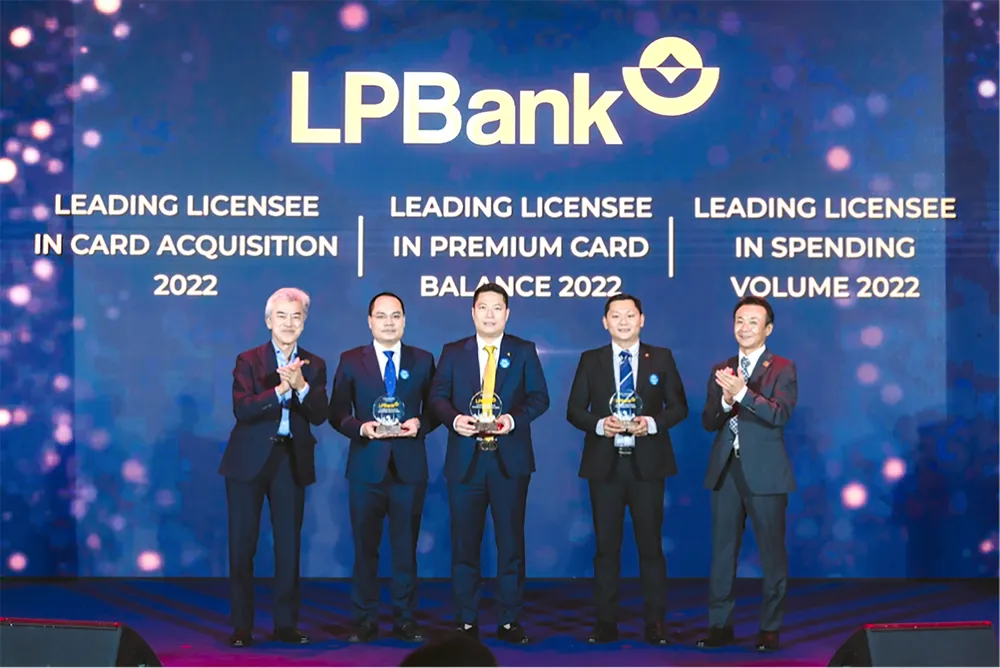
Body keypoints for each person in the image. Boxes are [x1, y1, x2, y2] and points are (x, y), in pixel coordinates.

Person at [429, 282, 550, 644]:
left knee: (510, 544)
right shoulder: (454, 352)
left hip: (509, 461)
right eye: (483, 307)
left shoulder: (523, 350)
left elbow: (539, 397)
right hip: (465, 462)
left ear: (507, 313)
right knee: (464, 545)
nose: (490, 314)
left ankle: (509, 620)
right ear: (473, 312)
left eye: (497, 308)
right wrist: (455, 420)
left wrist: (512, 419)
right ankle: (466, 621)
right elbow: (436, 397)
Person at [566, 293, 688, 645]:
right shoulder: (591, 359)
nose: (623, 322)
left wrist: (650, 423)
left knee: (651, 547)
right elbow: (574, 410)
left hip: (647, 465)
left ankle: (656, 623)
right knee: (606, 549)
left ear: (641, 320)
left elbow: (678, 407)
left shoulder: (661, 358)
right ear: (605, 322)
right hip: (604, 467)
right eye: (616, 316)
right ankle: (605, 623)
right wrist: (599, 424)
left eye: (630, 315)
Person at [218, 287, 328, 647]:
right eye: (281, 316)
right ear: (268, 321)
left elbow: (320, 415)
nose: (289, 323)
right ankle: (242, 627)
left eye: (296, 317)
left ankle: (286, 625)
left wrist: (302, 387)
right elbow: (243, 409)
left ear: (304, 322)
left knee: (288, 547)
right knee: (242, 546)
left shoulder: (314, 364)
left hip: (289, 460)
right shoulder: (248, 360)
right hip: (247, 462)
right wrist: (281, 390)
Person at [328, 292, 439, 643]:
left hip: (409, 467)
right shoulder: (350, 360)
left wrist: (421, 423)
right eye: (381, 316)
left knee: (406, 549)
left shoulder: (423, 360)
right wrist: (360, 427)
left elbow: (437, 408)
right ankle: (364, 620)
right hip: (366, 467)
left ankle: (405, 619)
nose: (388, 322)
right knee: (365, 549)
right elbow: (336, 412)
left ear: (404, 320)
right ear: (369, 321)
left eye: (395, 316)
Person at [697, 296, 797, 652]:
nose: (745, 327)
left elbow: (780, 414)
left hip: (765, 472)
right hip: (726, 469)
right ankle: (719, 625)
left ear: (768, 329)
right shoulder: (722, 368)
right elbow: (708, 421)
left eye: (753, 322)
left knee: (772, 554)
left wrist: (742, 393)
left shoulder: (782, 368)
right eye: (740, 320)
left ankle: (769, 628)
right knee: (722, 553)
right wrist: (726, 401)